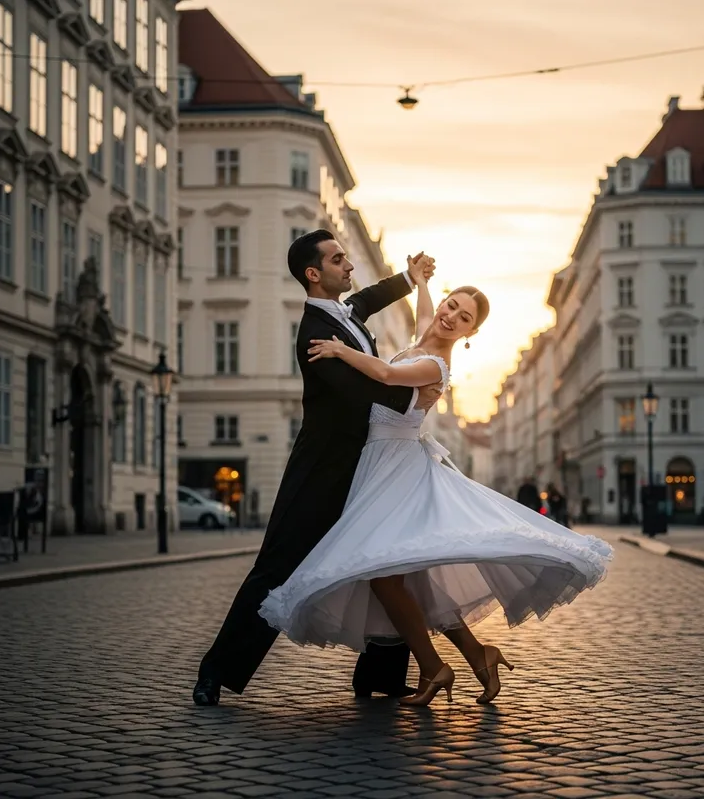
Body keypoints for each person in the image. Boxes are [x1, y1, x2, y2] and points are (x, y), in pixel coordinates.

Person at [259, 273, 614, 707]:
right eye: (451, 305)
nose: (450, 317)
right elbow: (426, 316)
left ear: (470, 333)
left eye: (464, 318)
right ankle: (477, 655)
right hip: (380, 464)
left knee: (383, 576)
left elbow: (386, 373)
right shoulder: (424, 339)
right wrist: (421, 281)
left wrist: (340, 350)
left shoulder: (436, 364)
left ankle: (433, 666)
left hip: (397, 467)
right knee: (409, 577)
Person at [192, 230, 441, 707]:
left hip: (367, 463)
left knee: (386, 560)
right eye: (338, 259)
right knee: (276, 568)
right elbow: (359, 391)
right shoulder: (314, 333)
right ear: (314, 273)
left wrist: (409, 279)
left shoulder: (345, 314)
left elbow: (368, 298)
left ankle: (382, 675)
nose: (349, 265)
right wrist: (418, 394)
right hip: (322, 471)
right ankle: (215, 671)